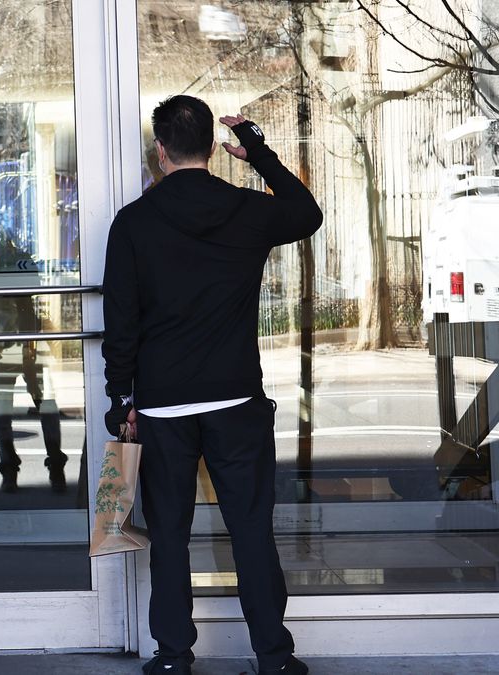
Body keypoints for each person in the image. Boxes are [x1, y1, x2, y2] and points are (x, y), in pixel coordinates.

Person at [101, 95, 321, 675]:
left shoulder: (134, 222)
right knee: (251, 529)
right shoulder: (247, 211)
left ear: (160, 151)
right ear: (210, 150)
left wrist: (121, 400)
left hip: (163, 407)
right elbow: (306, 213)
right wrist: (258, 154)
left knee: (169, 535)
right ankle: (273, 657)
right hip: (236, 401)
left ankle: (173, 658)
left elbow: (121, 322)